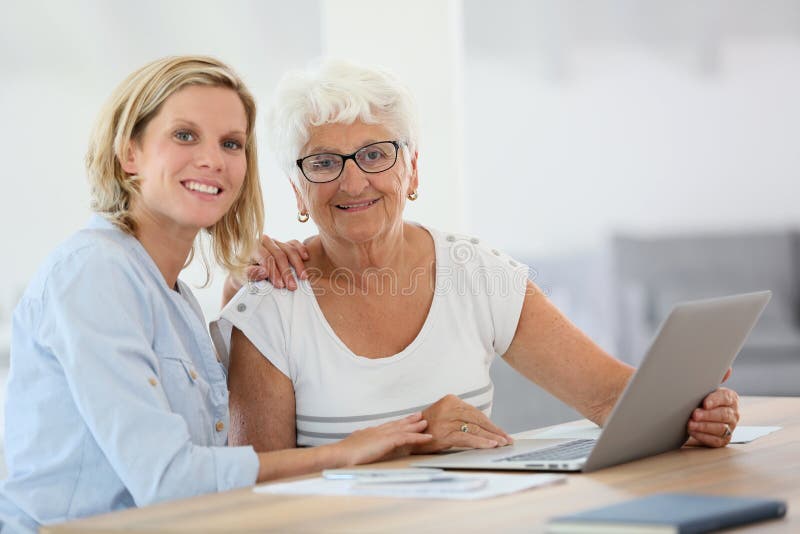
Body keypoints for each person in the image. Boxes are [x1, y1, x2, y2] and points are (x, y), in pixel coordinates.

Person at [212, 59, 740, 456]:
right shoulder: (272, 303)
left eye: (375, 154)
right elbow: (256, 489)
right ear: (298, 191)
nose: (354, 180)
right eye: (324, 162)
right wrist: (410, 441)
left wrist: (691, 409)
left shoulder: (477, 275)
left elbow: (607, 399)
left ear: (412, 170)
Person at [0, 56, 432, 533]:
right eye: (185, 135)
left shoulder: (173, 294)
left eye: (231, 143)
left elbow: (208, 456)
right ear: (130, 154)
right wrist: (343, 453)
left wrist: (236, 291)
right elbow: (170, 480)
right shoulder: (94, 275)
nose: (212, 159)